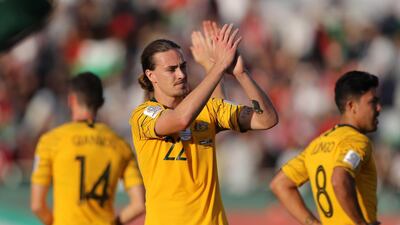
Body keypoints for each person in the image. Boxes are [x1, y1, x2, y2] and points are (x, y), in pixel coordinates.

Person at [129, 22, 278, 225]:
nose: (181, 74)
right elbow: (181, 120)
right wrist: (217, 67)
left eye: (183, 67)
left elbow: (267, 120)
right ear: (151, 75)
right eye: (171, 69)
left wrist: (240, 74)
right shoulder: (143, 115)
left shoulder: (208, 110)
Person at [30, 72, 145, 225]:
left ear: (71, 100)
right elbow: (138, 204)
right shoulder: (120, 145)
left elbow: (37, 205)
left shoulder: (51, 141)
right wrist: (114, 223)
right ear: (101, 102)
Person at [270, 71, 381, 225]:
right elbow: (339, 179)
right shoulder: (357, 141)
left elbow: (280, 184)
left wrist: (313, 223)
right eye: (372, 102)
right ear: (351, 106)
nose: (379, 108)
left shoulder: (317, 145)